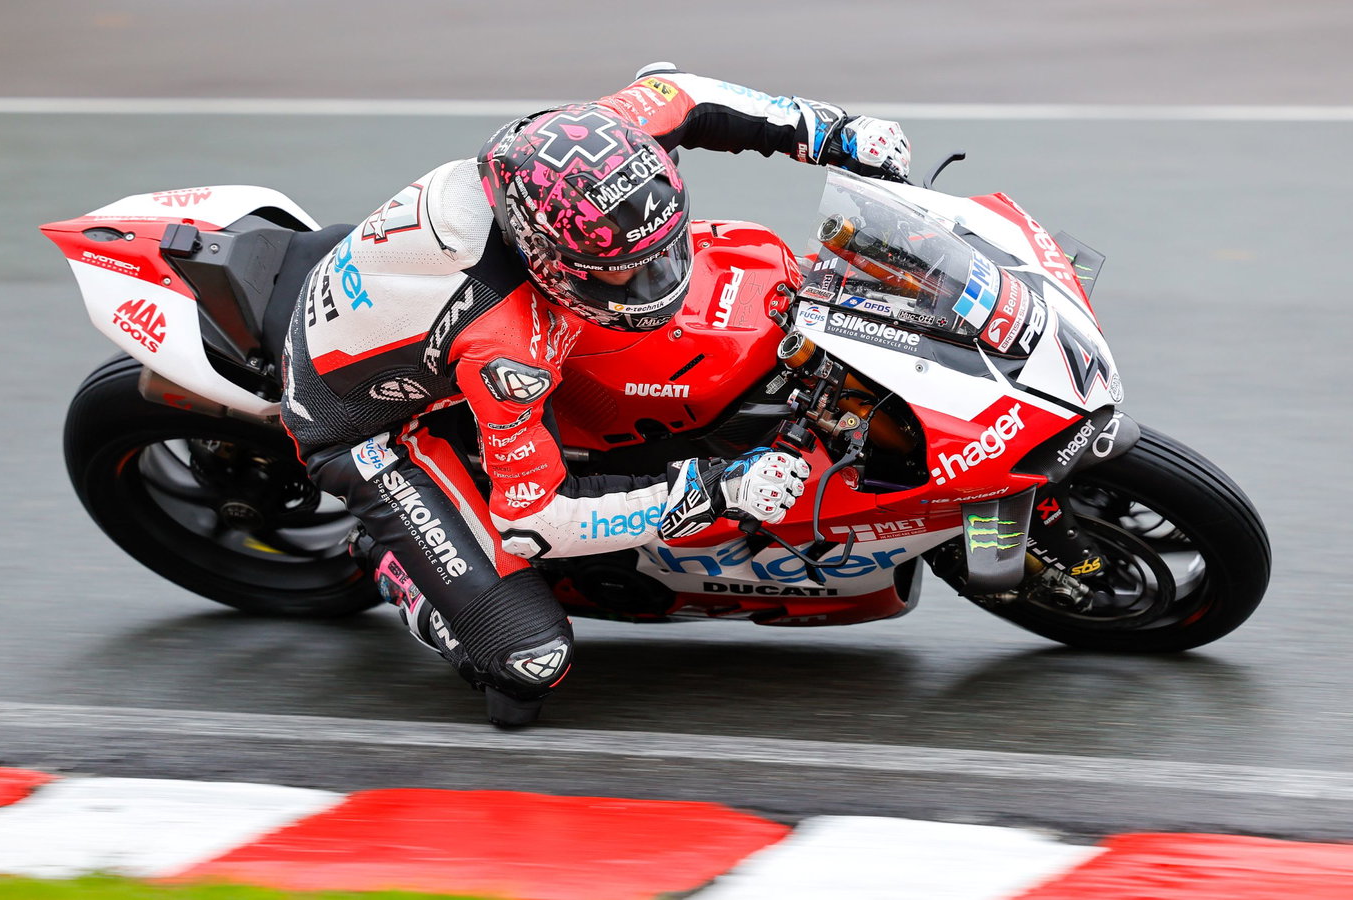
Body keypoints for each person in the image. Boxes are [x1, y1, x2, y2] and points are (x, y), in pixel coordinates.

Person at [279, 64, 913, 726]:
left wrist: (834, 132)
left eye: (659, 256)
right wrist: (721, 489)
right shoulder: (510, 344)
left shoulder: (590, 147)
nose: (655, 279)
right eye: (625, 274)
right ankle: (384, 558)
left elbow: (688, 94)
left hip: (411, 315)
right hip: (373, 427)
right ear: (548, 261)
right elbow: (535, 522)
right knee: (529, 663)